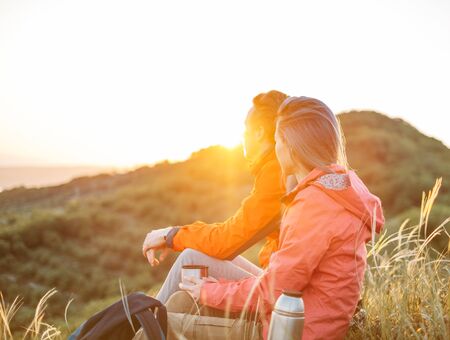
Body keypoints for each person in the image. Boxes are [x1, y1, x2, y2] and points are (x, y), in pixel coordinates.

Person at [174, 96, 385, 339]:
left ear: (290, 146)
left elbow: (272, 291)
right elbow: (291, 273)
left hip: (289, 332)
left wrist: (209, 291)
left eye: (277, 141)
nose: (276, 150)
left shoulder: (314, 204)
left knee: (166, 321)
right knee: (182, 301)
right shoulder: (341, 188)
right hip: (312, 321)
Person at [142, 90, 293, 304]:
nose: (243, 137)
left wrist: (171, 235)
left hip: (287, 297)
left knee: (189, 259)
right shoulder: (278, 169)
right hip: (285, 284)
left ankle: (143, 331)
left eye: (245, 129)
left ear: (259, 132)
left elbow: (227, 241)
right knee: (194, 255)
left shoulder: (276, 174)